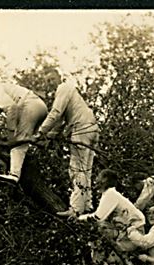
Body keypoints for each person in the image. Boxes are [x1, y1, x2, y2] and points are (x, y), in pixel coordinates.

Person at [78, 169, 145, 265]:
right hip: (124, 231)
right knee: (100, 234)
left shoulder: (110, 194)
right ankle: (95, 261)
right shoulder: (109, 195)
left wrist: (78, 218)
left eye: (99, 177)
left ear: (105, 180)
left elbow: (97, 217)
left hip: (133, 233)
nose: (96, 180)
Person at [33, 69, 99, 216]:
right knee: (86, 170)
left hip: (81, 129)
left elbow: (56, 113)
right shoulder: (69, 91)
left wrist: (41, 132)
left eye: (51, 79)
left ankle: (75, 209)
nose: (49, 83)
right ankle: (87, 205)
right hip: (91, 128)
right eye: (47, 81)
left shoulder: (63, 88)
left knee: (77, 169)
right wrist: (49, 136)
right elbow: (61, 120)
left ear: (59, 78)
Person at [0, 75, 48, 184]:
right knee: (26, 138)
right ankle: (41, 141)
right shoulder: (2, 88)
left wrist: (11, 133)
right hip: (40, 106)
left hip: (30, 106)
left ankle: (14, 174)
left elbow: (11, 107)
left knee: (18, 143)